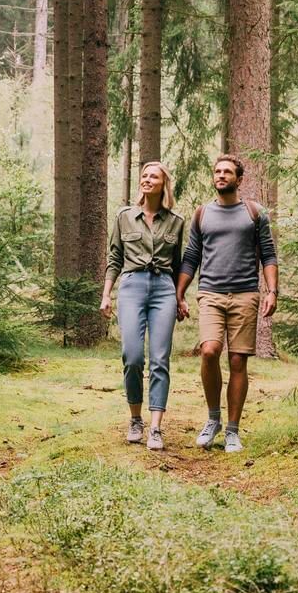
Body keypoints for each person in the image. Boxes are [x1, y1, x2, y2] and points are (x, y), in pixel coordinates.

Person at [175, 154, 278, 453]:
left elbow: (268, 255)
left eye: (227, 172)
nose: (221, 175)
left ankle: (232, 430)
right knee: (209, 351)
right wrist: (179, 294)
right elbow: (191, 256)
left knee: (237, 361)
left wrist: (272, 291)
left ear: (239, 179)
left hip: (245, 294)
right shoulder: (202, 213)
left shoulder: (254, 213)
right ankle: (213, 419)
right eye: (217, 171)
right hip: (210, 293)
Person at [101, 161, 185, 451]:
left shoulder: (176, 221)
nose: (147, 180)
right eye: (144, 176)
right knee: (133, 356)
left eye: (154, 177)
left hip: (164, 289)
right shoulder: (124, 216)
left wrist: (181, 297)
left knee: (160, 359)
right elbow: (114, 258)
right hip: (132, 286)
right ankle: (135, 419)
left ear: (164, 184)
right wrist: (106, 294)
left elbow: (178, 265)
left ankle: (156, 427)